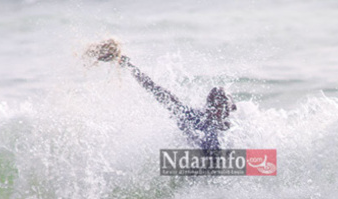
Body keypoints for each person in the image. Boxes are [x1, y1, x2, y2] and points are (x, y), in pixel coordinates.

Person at [86, 39, 236, 151]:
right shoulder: (192, 117)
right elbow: (156, 90)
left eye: (224, 109)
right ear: (208, 106)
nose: (219, 112)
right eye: (217, 107)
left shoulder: (234, 133)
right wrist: (130, 66)